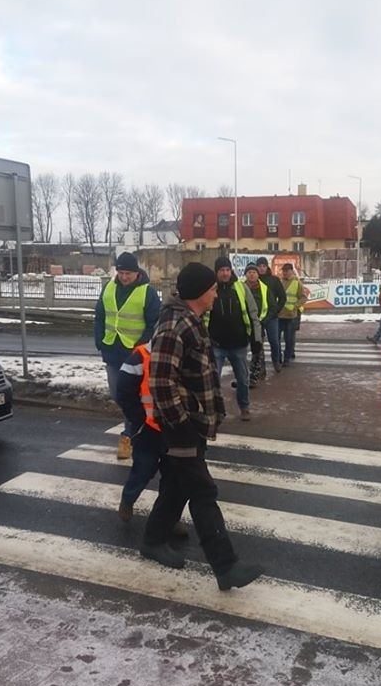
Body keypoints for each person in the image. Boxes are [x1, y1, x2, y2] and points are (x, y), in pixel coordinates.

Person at [141, 261, 264, 590]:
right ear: (198, 292)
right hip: (182, 426)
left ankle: (152, 540)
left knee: (177, 486)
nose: (215, 293)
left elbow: (200, 375)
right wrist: (181, 423)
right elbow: (161, 381)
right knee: (202, 490)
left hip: (193, 422)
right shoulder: (174, 325)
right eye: (211, 289)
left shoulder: (190, 319)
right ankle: (226, 567)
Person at [114, 343, 188, 536]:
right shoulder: (141, 355)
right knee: (143, 470)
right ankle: (128, 499)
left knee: (173, 479)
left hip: (175, 429)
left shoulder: (186, 353)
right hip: (147, 430)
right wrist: (138, 419)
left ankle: (168, 520)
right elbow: (122, 391)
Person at [94, 252, 160, 459]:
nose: (123, 277)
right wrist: (99, 341)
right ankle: (140, 427)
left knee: (133, 397)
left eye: (128, 273)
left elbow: (154, 324)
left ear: (137, 273)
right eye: (120, 272)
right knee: (118, 395)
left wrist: (141, 348)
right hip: (112, 351)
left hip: (135, 356)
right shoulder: (109, 288)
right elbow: (99, 316)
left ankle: (128, 436)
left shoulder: (147, 292)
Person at [208, 256, 262, 421]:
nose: (225, 273)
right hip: (216, 344)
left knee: (243, 379)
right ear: (216, 272)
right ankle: (216, 411)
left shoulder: (241, 287)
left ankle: (244, 407)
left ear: (231, 270)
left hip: (239, 344)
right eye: (221, 270)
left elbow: (253, 314)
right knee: (213, 381)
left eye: (227, 270)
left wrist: (256, 339)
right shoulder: (211, 289)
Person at [244, 262, 278, 386]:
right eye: (249, 272)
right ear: (245, 275)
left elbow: (272, 307)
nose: (251, 275)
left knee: (258, 350)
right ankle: (245, 374)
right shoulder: (241, 288)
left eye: (254, 272)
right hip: (243, 325)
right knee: (242, 351)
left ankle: (255, 374)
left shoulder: (264, 288)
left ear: (258, 275)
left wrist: (264, 321)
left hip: (259, 325)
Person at [256, 257, 286, 372]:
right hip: (258, 317)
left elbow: (282, 297)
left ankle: (276, 361)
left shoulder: (274, 280)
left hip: (272, 317)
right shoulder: (254, 280)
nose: (261, 268)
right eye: (259, 266)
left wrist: (276, 310)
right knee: (259, 343)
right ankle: (261, 366)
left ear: (267, 267)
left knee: (274, 341)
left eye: (264, 266)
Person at [278, 263, 308, 366]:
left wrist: (295, 306)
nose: (285, 273)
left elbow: (303, 297)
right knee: (276, 338)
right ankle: (279, 357)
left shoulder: (297, 282)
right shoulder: (280, 282)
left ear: (291, 271)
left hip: (291, 315)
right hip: (280, 315)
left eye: (287, 271)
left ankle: (287, 358)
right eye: (284, 271)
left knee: (289, 338)